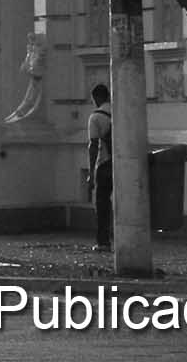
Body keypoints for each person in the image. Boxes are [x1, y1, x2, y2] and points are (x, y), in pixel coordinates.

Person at [84, 82, 113, 250]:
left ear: (96, 97)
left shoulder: (95, 117)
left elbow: (93, 146)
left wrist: (91, 174)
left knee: (102, 203)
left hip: (105, 164)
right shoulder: (118, 112)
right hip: (123, 161)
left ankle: (103, 242)